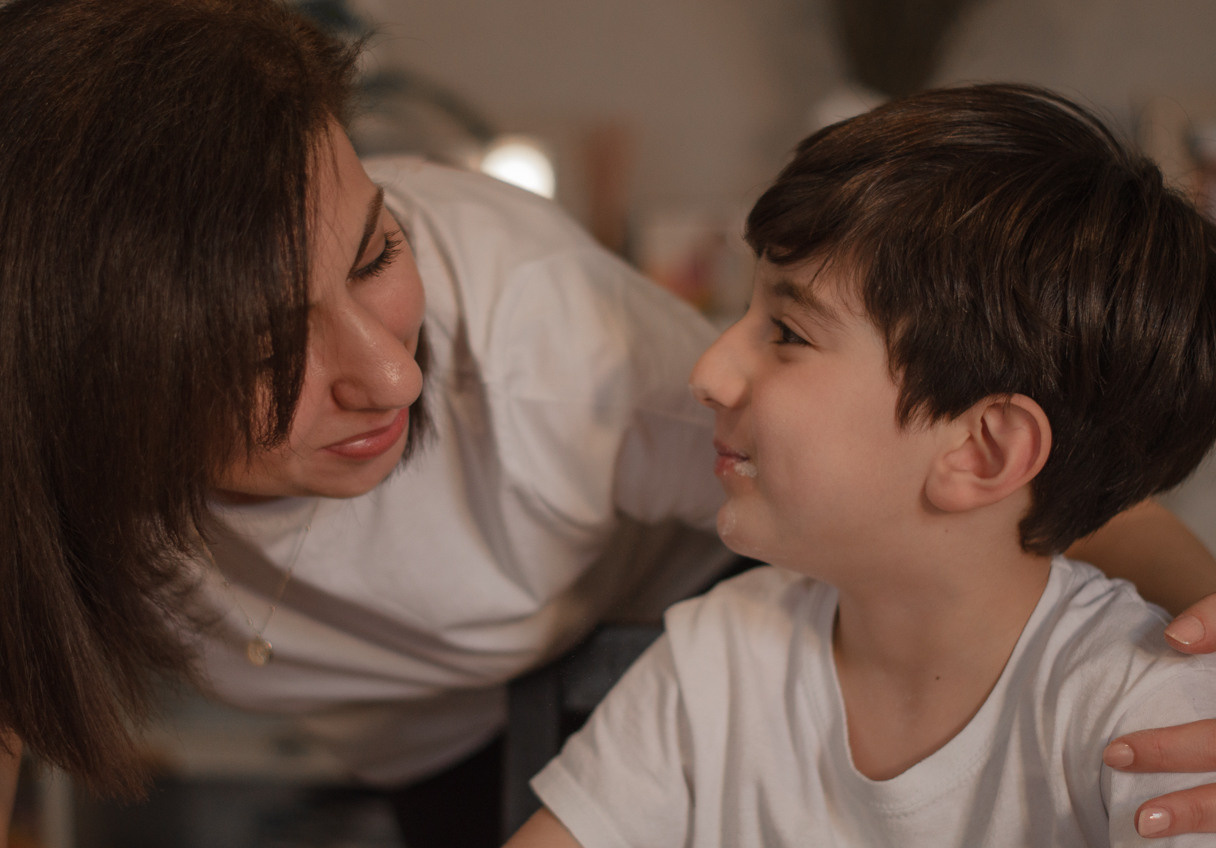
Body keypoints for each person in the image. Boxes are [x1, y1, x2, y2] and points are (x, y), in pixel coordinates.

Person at [0, 2, 1213, 845]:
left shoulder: (571, 369)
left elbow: (1033, 491)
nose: (389, 375)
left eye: (378, 248)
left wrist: (1203, 625)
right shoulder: (716, 666)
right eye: (264, 350)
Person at [505, 84, 1216, 847]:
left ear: (982, 451)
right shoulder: (718, 658)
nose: (708, 371)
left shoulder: (1151, 718)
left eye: (786, 331)